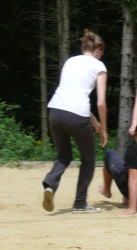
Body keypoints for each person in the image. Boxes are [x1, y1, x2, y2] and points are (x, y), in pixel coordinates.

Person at [42, 30, 107, 214]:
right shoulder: (99, 66)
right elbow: (101, 103)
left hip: (55, 112)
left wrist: (95, 122)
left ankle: (50, 185)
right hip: (77, 116)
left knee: (63, 156)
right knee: (88, 159)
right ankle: (80, 203)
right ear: (98, 50)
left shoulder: (70, 61)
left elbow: (72, 95)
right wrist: (103, 128)